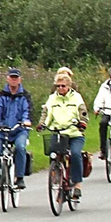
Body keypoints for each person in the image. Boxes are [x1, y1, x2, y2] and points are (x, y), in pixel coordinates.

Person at [36, 68, 89, 200]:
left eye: (63, 86)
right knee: (54, 155)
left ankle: (77, 184)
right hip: (58, 132)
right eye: (58, 86)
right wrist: (42, 124)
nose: (60, 88)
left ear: (69, 86)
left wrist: (82, 122)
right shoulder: (52, 99)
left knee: (75, 154)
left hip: (74, 133)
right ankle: (58, 181)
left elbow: (83, 113)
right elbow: (46, 113)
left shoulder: (76, 97)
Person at [0, 68, 33, 189]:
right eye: (11, 77)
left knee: (20, 147)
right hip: (3, 130)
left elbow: (27, 111)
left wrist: (26, 121)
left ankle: (19, 178)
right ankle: (1, 177)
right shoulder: (1, 95)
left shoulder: (25, 95)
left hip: (19, 130)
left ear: (20, 79)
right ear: (7, 79)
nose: (14, 80)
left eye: (16, 77)